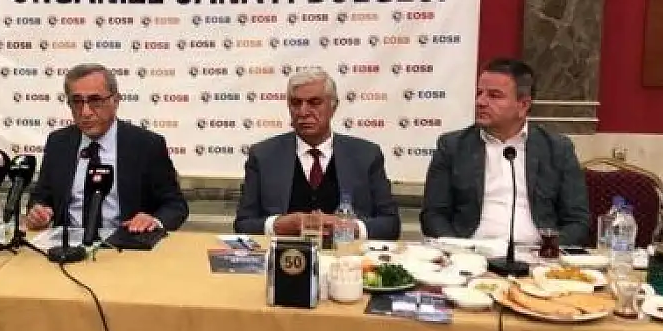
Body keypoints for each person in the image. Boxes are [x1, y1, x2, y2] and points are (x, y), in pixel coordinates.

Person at [421, 57, 589, 246]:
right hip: (470, 253)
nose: (480, 102)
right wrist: (458, 250)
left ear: (523, 105)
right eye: (479, 93)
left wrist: (549, 250)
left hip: (538, 254)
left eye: (494, 95)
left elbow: (578, 221)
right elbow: (433, 215)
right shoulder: (453, 146)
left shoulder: (557, 149)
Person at [234, 69, 400, 238]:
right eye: (296, 103)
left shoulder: (366, 155)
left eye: (314, 102)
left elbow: (391, 224)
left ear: (333, 106)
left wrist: (348, 227)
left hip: (346, 252)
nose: (303, 112)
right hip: (285, 252)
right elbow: (243, 224)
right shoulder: (263, 156)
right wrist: (278, 225)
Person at [25, 63, 189, 235]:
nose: (85, 112)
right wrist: (39, 213)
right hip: (67, 244)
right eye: (77, 102)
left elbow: (175, 205)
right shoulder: (58, 143)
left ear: (115, 101)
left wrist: (154, 220)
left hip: (126, 243)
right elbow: (41, 198)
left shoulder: (146, 145)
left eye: (95, 101)